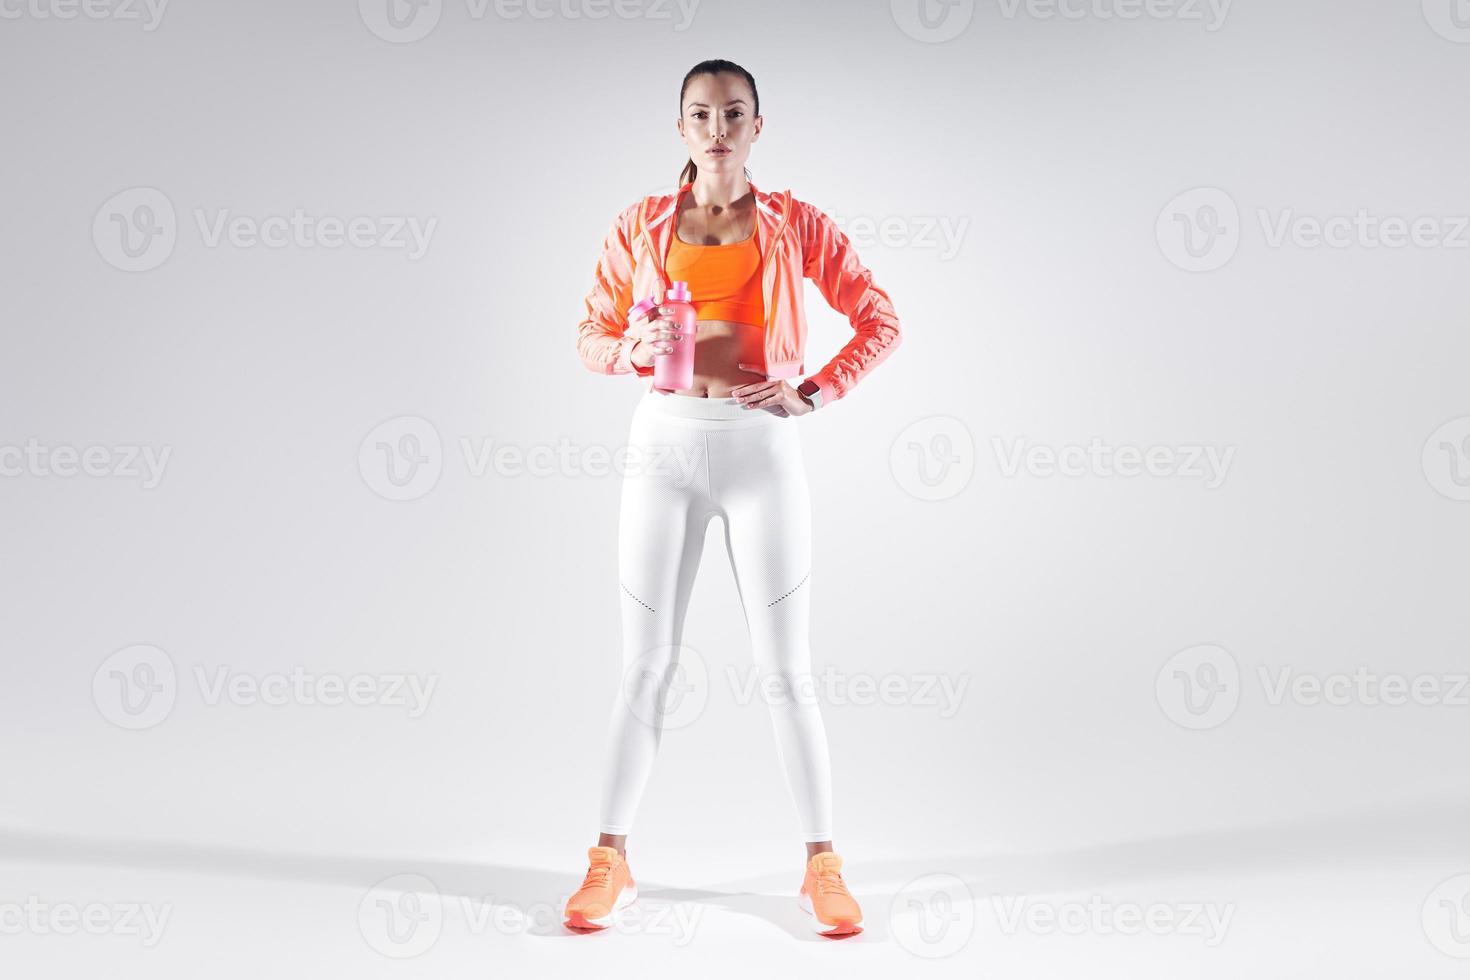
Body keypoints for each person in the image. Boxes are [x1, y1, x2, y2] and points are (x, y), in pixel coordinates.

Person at [567, 59, 902, 937]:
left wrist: (817, 391)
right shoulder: (640, 225)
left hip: (761, 452)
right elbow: (589, 334)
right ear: (680, 127)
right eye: (701, 114)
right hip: (665, 446)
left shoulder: (797, 224)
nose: (718, 128)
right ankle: (610, 861)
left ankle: (821, 865)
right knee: (645, 667)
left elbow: (879, 317)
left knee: (787, 671)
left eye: (734, 113)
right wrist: (630, 344)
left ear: (758, 126)